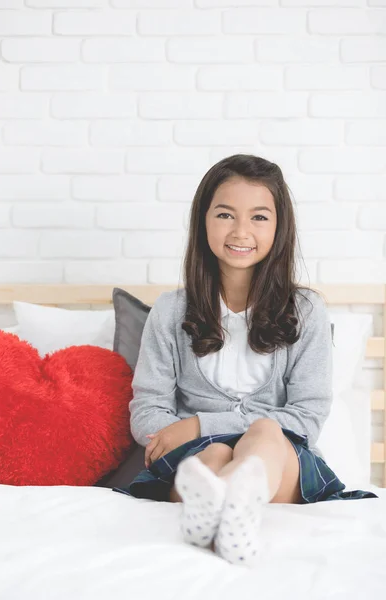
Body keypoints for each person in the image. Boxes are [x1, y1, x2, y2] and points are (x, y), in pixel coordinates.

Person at [113, 154, 378, 568]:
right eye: (225, 214)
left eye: (258, 217)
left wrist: (200, 423)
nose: (241, 231)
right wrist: (202, 438)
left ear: (279, 227)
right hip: (197, 457)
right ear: (204, 221)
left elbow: (306, 417)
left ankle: (232, 506)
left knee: (266, 435)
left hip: (279, 459)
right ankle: (224, 510)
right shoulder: (169, 311)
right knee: (215, 455)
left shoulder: (306, 310)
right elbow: (147, 412)